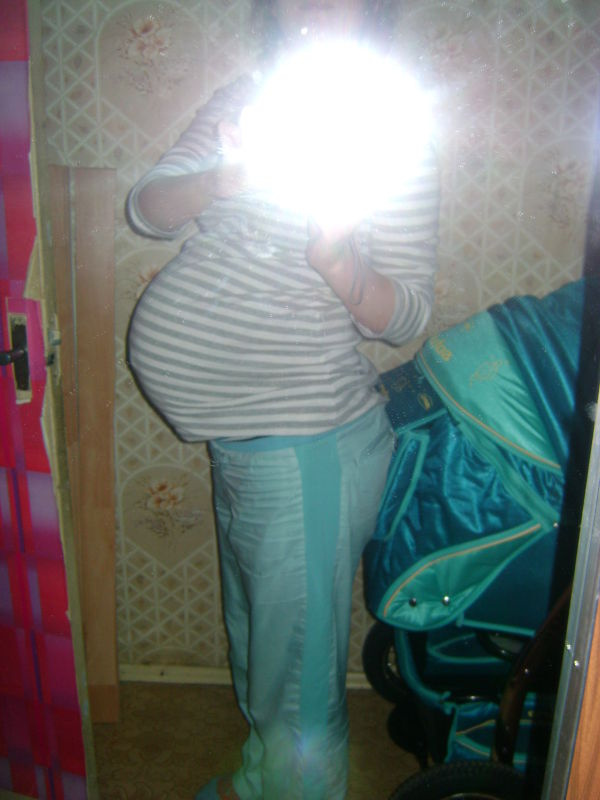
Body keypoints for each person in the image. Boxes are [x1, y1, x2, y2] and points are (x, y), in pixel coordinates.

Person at [126, 1, 439, 797]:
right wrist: (223, 177)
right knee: (259, 644)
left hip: (310, 449)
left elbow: (407, 313)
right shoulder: (244, 99)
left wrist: (336, 261)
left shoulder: (392, 126)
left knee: (297, 684)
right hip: (241, 444)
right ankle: (261, 778)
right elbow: (146, 208)